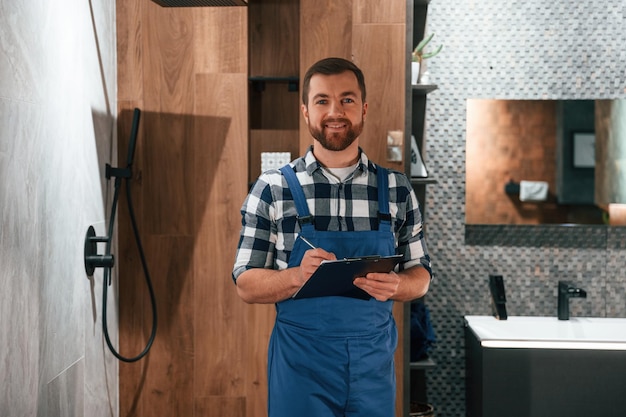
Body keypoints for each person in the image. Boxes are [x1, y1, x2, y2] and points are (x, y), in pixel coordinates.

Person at [232, 57, 432, 417]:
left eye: (347, 99)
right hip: (300, 370)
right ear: (305, 110)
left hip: (373, 369)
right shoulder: (272, 189)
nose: (335, 111)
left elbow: (421, 277)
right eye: (322, 100)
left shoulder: (396, 189)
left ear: (364, 109)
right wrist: (297, 276)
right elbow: (245, 285)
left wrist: (398, 286)